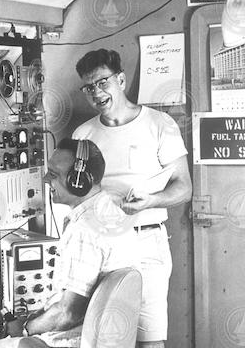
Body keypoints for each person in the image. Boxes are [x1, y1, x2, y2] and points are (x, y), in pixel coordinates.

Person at [72, 49, 192, 348]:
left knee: (150, 342)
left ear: (121, 80)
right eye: (88, 88)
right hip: (100, 248)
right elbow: (75, 194)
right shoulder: (82, 135)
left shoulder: (159, 123)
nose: (96, 93)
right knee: (103, 340)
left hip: (146, 242)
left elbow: (184, 187)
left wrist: (149, 200)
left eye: (102, 82)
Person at [0, 138, 139, 348]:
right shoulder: (112, 213)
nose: (45, 179)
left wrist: (25, 328)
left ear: (79, 181)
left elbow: (68, 313)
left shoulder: (85, 230)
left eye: (53, 174)